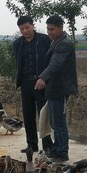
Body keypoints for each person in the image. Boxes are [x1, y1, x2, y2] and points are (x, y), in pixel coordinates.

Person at [35, 15, 78, 162]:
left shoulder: (64, 44)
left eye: (52, 29)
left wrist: (42, 78)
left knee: (59, 123)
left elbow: (55, 64)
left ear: (61, 28)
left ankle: (62, 153)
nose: (49, 32)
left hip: (61, 88)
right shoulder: (56, 42)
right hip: (54, 89)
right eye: (47, 29)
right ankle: (56, 149)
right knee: (54, 122)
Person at [13, 16, 53, 154]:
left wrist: (45, 78)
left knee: (44, 114)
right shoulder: (17, 44)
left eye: (27, 27)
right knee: (28, 115)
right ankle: (31, 144)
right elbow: (19, 64)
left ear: (33, 26)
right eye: (21, 29)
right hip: (25, 83)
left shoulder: (44, 40)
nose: (25, 31)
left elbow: (50, 61)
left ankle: (47, 145)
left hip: (41, 82)